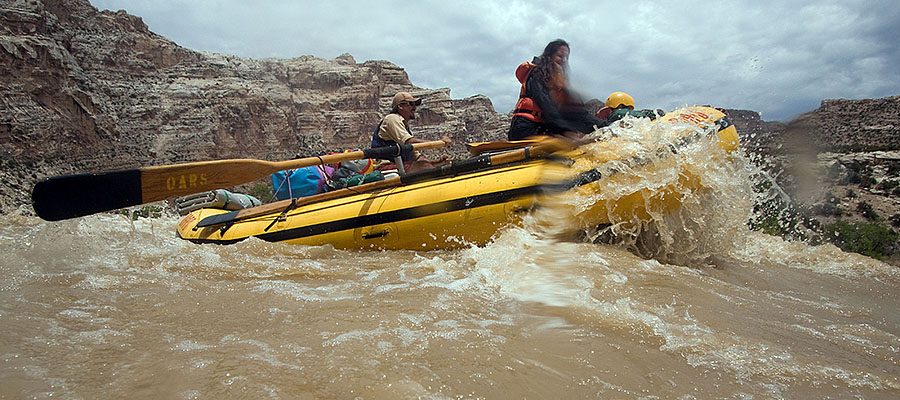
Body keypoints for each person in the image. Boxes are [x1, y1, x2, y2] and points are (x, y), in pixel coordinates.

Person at [508, 39, 608, 141]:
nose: (564, 60)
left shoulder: (558, 83)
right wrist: (565, 131)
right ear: (549, 56)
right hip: (524, 128)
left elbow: (576, 113)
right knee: (568, 141)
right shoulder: (537, 74)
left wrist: (604, 125)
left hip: (542, 127)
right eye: (560, 56)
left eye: (567, 58)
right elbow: (547, 106)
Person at [371, 91, 451, 172]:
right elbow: (408, 142)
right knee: (423, 166)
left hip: (401, 166)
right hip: (385, 167)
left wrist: (439, 163)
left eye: (415, 104)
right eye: (411, 104)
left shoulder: (405, 128)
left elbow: (418, 159)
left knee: (423, 164)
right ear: (400, 106)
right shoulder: (392, 119)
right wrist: (438, 143)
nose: (414, 108)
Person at [595, 91, 663, 123]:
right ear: (620, 105)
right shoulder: (617, 114)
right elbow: (642, 115)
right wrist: (655, 113)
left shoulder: (613, 118)